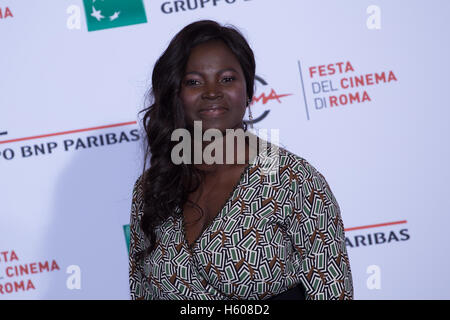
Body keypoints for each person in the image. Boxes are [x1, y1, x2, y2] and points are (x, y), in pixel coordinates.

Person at [129, 20, 353, 300]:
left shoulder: (290, 177)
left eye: (227, 79)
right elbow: (141, 291)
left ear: (248, 90)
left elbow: (332, 293)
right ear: (176, 93)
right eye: (194, 82)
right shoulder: (150, 188)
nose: (212, 92)